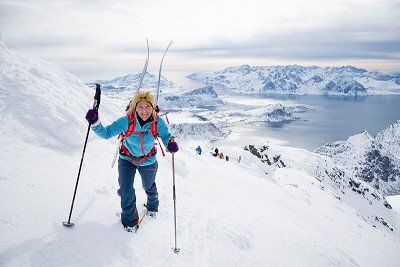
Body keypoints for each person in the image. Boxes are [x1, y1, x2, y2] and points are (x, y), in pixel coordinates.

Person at [85, 91, 179, 232]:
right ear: (135, 107)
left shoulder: (157, 122)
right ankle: (129, 220)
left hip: (148, 159)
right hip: (127, 159)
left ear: (153, 108)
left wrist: (169, 144)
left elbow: (165, 136)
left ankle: (153, 206)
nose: (144, 110)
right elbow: (105, 133)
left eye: (148, 106)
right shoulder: (126, 121)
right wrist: (95, 122)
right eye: (140, 106)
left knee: (149, 185)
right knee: (126, 189)